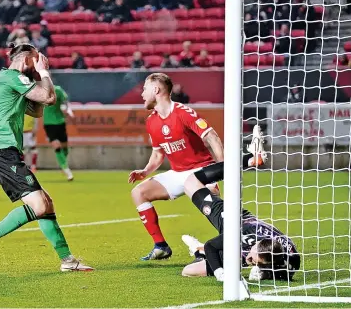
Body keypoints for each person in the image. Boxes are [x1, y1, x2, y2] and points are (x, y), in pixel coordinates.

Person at [0, 43, 92, 272]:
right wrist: (45, 73)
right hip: (2, 153)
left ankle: (67, 261)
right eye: (36, 61)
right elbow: (48, 98)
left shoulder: (2, 80)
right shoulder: (12, 77)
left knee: (46, 204)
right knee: (38, 205)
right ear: (27, 60)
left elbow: (37, 109)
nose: (38, 65)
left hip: (4, 153)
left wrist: (38, 82)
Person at [179, 127, 299, 282]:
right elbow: (212, 246)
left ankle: (198, 251)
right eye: (251, 256)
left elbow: (287, 272)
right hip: (232, 220)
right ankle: (199, 250)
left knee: (189, 270)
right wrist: (220, 273)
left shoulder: (285, 253)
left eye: (252, 259)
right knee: (194, 184)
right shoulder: (240, 238)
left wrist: (264, 272)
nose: (249, 258)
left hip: (240, 238)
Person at [128, 73, 224, 261]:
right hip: (178, 173)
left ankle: (232, 246)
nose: (142, 94)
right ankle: (161, 246)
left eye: (145, 89)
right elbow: (158, 154)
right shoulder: (151, 121)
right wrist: (145, 171)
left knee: (215, 213)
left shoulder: (183, 112)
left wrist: (221, 167)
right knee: (138, 192)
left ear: (156, 90)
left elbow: (211, 136)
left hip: (201, 172)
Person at [43, 85, 74, 181]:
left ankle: (63, 163)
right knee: (56, 146)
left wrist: (67, 112)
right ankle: (66, 169)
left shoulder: (58, 90)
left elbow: (65, 102)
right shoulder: (40, 91)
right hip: (48, 123)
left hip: (60, 122)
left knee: (65, 147)